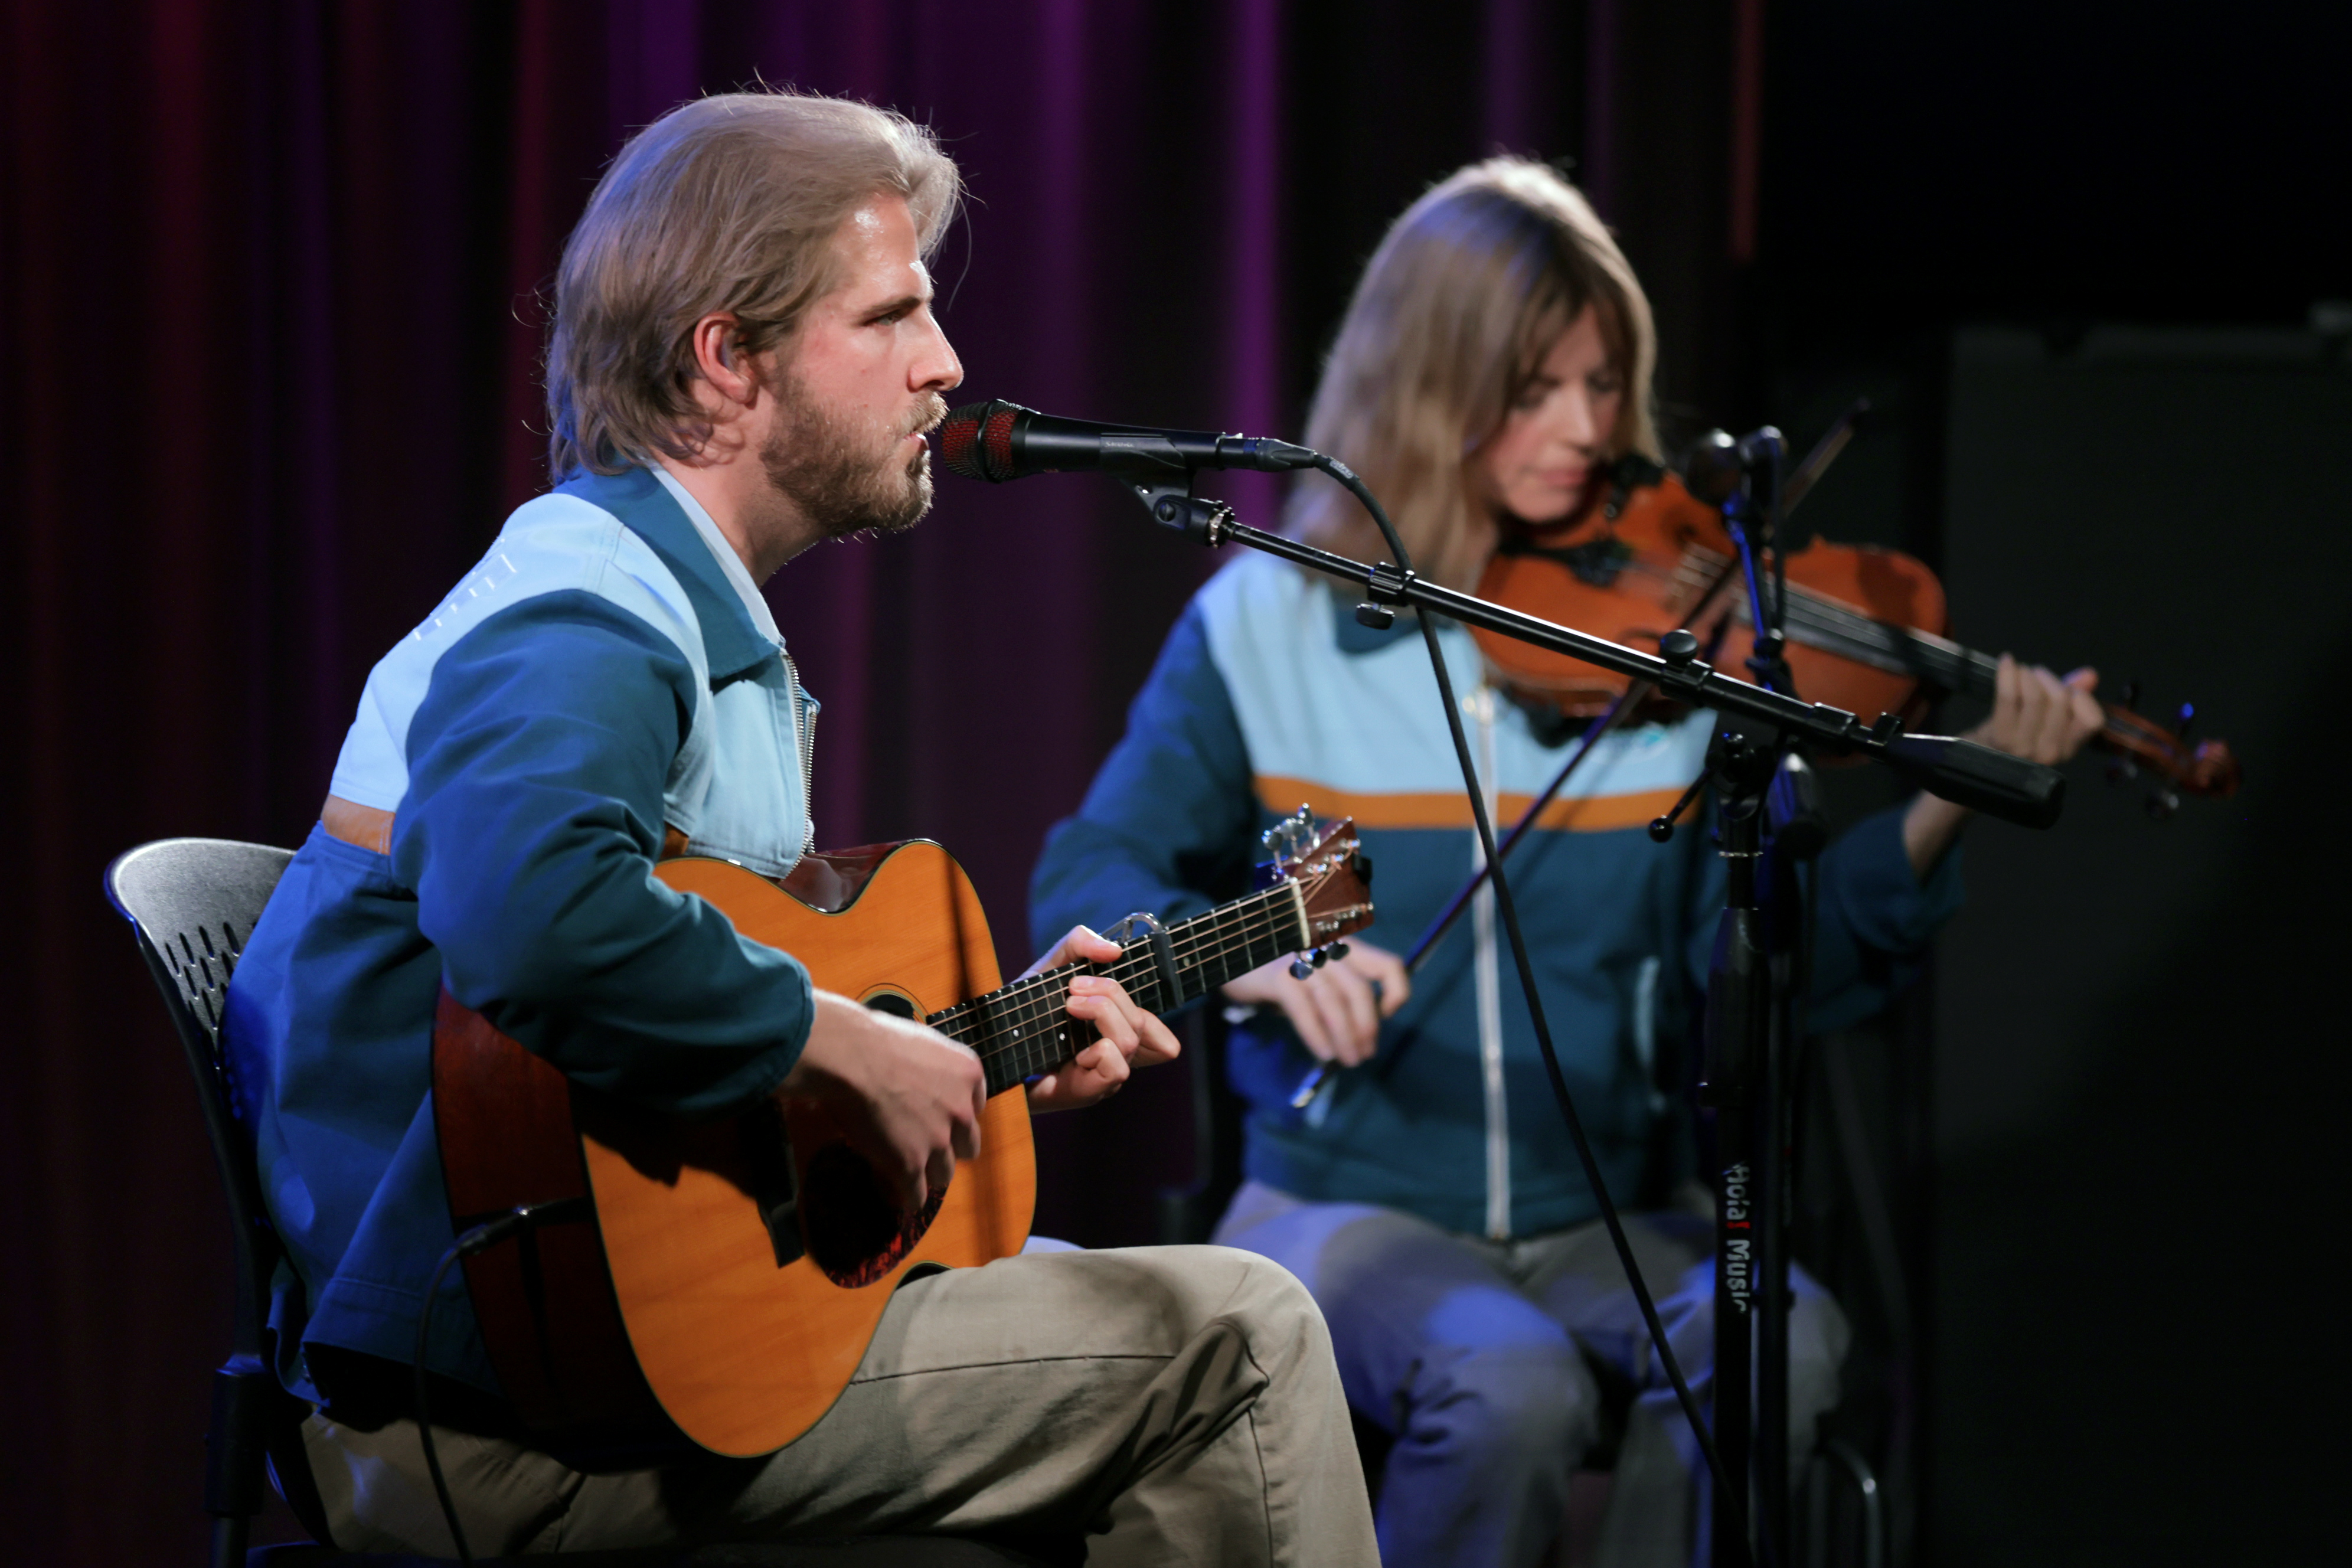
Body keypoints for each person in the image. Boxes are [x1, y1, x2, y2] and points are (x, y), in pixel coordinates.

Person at [223, 90, 1377, 1564]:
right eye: (891, 314)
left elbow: (652, 1087)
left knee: (1141, 1326)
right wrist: (839, 1040)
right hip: (493, 1426)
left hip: (577, 1366)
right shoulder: (589, 611)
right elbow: (529, 909)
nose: (947, 364)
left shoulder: (670, 600)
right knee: (1240, 1333)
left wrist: (972, 1052)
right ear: (728, 359)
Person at [1028, 158, 2103, 1568]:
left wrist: (1944, 807)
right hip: (1339, 1203)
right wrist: (1263, 959)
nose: (1589, 432)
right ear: (1427, 387)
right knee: (1508, 1381)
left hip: (1607, 1205)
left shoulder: (1662, 647)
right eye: (1537, 390)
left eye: (1607, 387)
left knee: (1777, 1343)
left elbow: (1775, 962)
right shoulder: (1263, 626)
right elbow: (1089, 873)